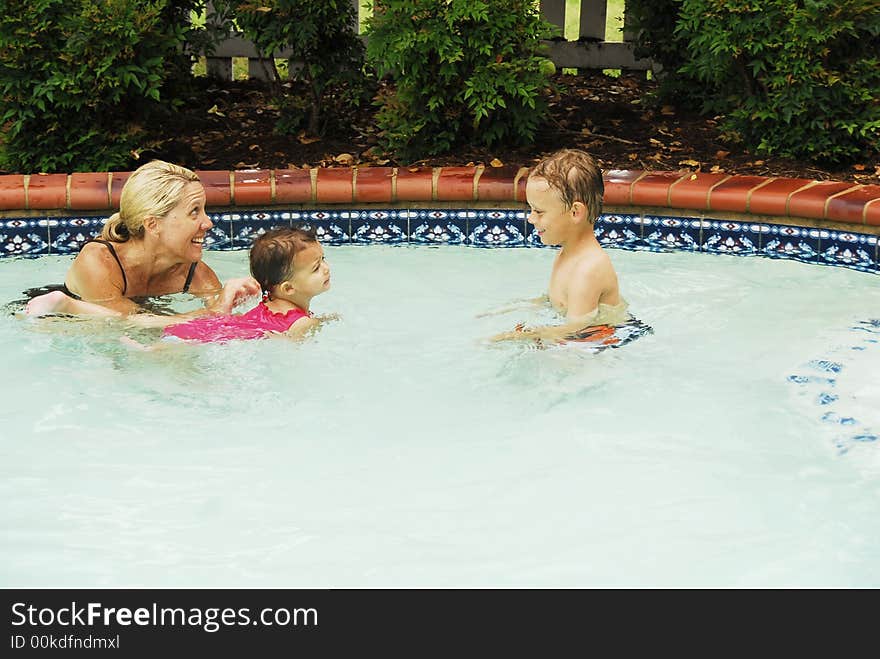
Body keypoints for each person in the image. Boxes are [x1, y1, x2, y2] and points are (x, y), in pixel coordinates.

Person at [24, 159, 259, 319]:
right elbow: (126, 323)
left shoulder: (196, 274)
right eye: (194, 211)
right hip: (48, 317)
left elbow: (222, 324)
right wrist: (216, 311)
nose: (208, 223)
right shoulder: (99, 261)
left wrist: (234, 302)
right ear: (152, 224)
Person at [490, 148, 629, 343]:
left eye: (539, 211)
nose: (530, 219)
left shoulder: (588, 270)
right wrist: (521, 306)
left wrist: (522, 336)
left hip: (603, 341)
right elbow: (557, 300)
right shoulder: (567, 253)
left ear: (575, 213)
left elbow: (578, 329)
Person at [153, 225, 333, 343]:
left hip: (189, 332)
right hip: (203, 340)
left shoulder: (268, 304)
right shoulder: (302, 323)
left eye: (323, 259)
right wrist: (323, 321)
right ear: (288, 288)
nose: (326, 268)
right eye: (316, 268)